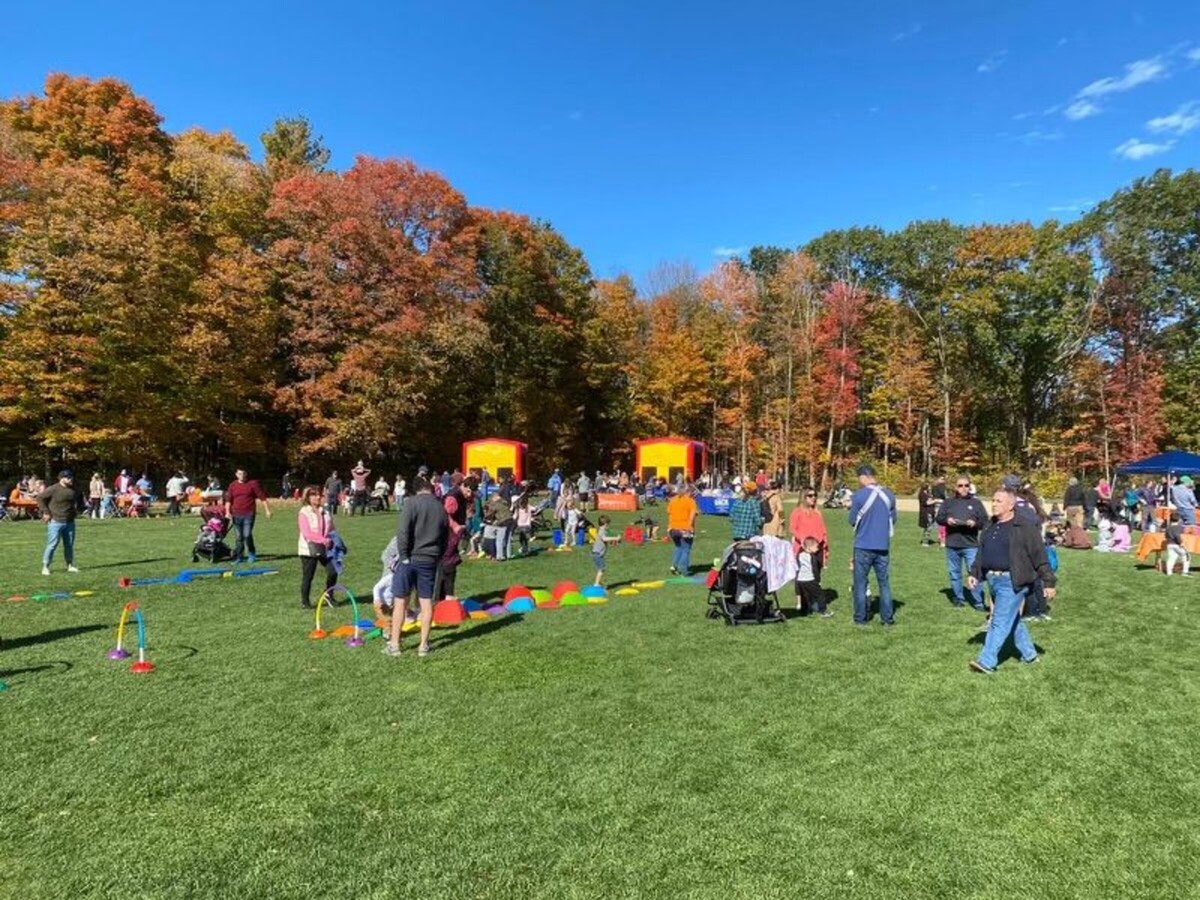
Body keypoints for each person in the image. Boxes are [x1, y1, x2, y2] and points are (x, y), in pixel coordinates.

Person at [968, 486, 1056, 673]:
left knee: (998, 621)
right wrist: (974, 573)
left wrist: (1049, 582)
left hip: (1012, 582)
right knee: (1012, 620)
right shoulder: (990, 525)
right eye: (993, 500)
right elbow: (982, 552)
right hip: (992, 580)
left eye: (998, 501)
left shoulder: (1025, 527)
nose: (993, 504)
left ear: (1010, 505)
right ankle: (1030, 655)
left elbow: (1040, 556)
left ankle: (986, 662)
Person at [386, 477, 448, 658]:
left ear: (415, 490)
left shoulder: (411, 503)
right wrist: (438, 555)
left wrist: (403, 556)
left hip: (411, 558)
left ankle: (395, 645)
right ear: (429, 488)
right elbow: (445, 535)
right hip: (430, 559)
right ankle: (423, 645)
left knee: (401, 601)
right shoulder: (440, 507)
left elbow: (403, 531)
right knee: (426, 602)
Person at [847, 464, 897, 627]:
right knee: (884, 583)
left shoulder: (858, 496)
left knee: (860, 583)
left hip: (863, 545)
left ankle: (860, 618)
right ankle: (887, 619)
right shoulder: (889, 495)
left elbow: (852, 520)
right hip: (882, 546)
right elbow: (893, 520)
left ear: (863, 477)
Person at [935, 475, 989, 610]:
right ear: (955, 487)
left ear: (970, 487)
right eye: (960, 485)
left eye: (966, 485)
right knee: (954, 573)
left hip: (970, 545)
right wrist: (947, 520)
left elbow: (985, 521)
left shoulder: (976, 503)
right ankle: (958, 598)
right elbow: (939, 518)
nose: (963, 488)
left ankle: (978, 601)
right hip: (952, 544)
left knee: (974, 573)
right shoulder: (948, 502)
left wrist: (975, 523)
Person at [297, 486, 337, 609]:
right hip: (308, 549)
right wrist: (323, 540)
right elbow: (307, 533)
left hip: (324, 548)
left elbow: (332, 529)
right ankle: (305, 602)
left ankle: (328, 595)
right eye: (314, 495)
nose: (318, 497)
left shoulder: (325, 512)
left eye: (319, 494)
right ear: (308, 498)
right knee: (308, 576)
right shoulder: (304, 512)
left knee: (333, 572)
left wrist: (336, 542)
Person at [37, 469, 82, 575]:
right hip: (55, 521)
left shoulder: (74, 489)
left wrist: (77, 510)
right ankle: (45, 567)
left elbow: (80, 497)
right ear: (61, 478)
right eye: (68, 477)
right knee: (52, 544)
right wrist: (46, 512)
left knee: (69, 545)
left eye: (71, 477)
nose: (71, 479)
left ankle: (70, 565)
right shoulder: (53, 489)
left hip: (70, 522)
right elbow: (40, 498)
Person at [225, 468, 272, 564]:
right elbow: (228, 500)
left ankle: (251, 553)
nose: (241, 476)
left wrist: (267, 510)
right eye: (239, 474)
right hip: (236, 514)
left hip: (248, 514)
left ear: (246, 474)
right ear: (236, 474)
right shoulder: (232, 485)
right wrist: (227, 512)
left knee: (247, 535)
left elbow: (262, 498)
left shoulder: (253, 484)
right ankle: (239, 557)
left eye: (243, 473)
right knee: (239, 537)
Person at [440, 476, 472, 597]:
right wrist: (456, 526)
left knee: (450, 563)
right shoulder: (453, 497)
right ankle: (445, 596)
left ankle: (446, 595)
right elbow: (445, 515)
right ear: (463, 485)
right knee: (448, 564)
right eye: (468, 491)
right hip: (448, 536)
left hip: (454, 535)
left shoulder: (461, 496)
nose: (469, 495)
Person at [789, 487, 830, 563]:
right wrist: (804, 541)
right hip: (803, 548)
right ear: (804, 497)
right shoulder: (797, 512)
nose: (813, 498)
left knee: (815, 570)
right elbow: (792, 529)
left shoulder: (817, 513)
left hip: (817, 548)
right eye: (810, 496)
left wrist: (825, 547)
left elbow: (823, 531)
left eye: (815, 495)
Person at [667, 484, 698, 575]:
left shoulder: (673, 501)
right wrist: (690, 528)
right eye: (692, 493)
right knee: (686, 549)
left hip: (673, 528)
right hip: (685, 528)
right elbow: (692, 515)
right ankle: (684, 571)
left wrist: (669, 527)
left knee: (678, 546)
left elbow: (670, 514)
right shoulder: (690, 501)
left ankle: (674, 566)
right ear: (688, 492)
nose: (693, 495)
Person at [795, 536, 829, 617]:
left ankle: (804, 612)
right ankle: (823, 611)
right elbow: (815, 570)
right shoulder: (812, 557)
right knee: (820, 594)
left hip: (800, 580)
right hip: (810, 579)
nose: (818, 549)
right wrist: (818, 580)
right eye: (816, 547)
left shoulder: (799, 555)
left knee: (804, 596)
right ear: (809, 548)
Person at [591, 514, 620, 586]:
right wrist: (615, 538)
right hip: (598, 554)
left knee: (601, 568)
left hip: (597, 554)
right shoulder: (601, 531)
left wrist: (613, 542)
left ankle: (598, 583)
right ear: (605, 524)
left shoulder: (603, 531)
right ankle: (596, 584)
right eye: (608, 524)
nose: (608, 526)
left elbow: (605, 540)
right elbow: (604, 539)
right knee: (601, 569)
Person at [1164, 511, 1191, 576]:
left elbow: (1166, 536)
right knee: (1186, 556)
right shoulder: (1178, 527)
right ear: (1179, 520)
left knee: (1171, 558)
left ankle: (1169, 572)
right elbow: (1177, 535)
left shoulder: (1168, 527)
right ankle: (1185, 572)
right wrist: (1181, 543)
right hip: (1177, 544)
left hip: (1169, 544)